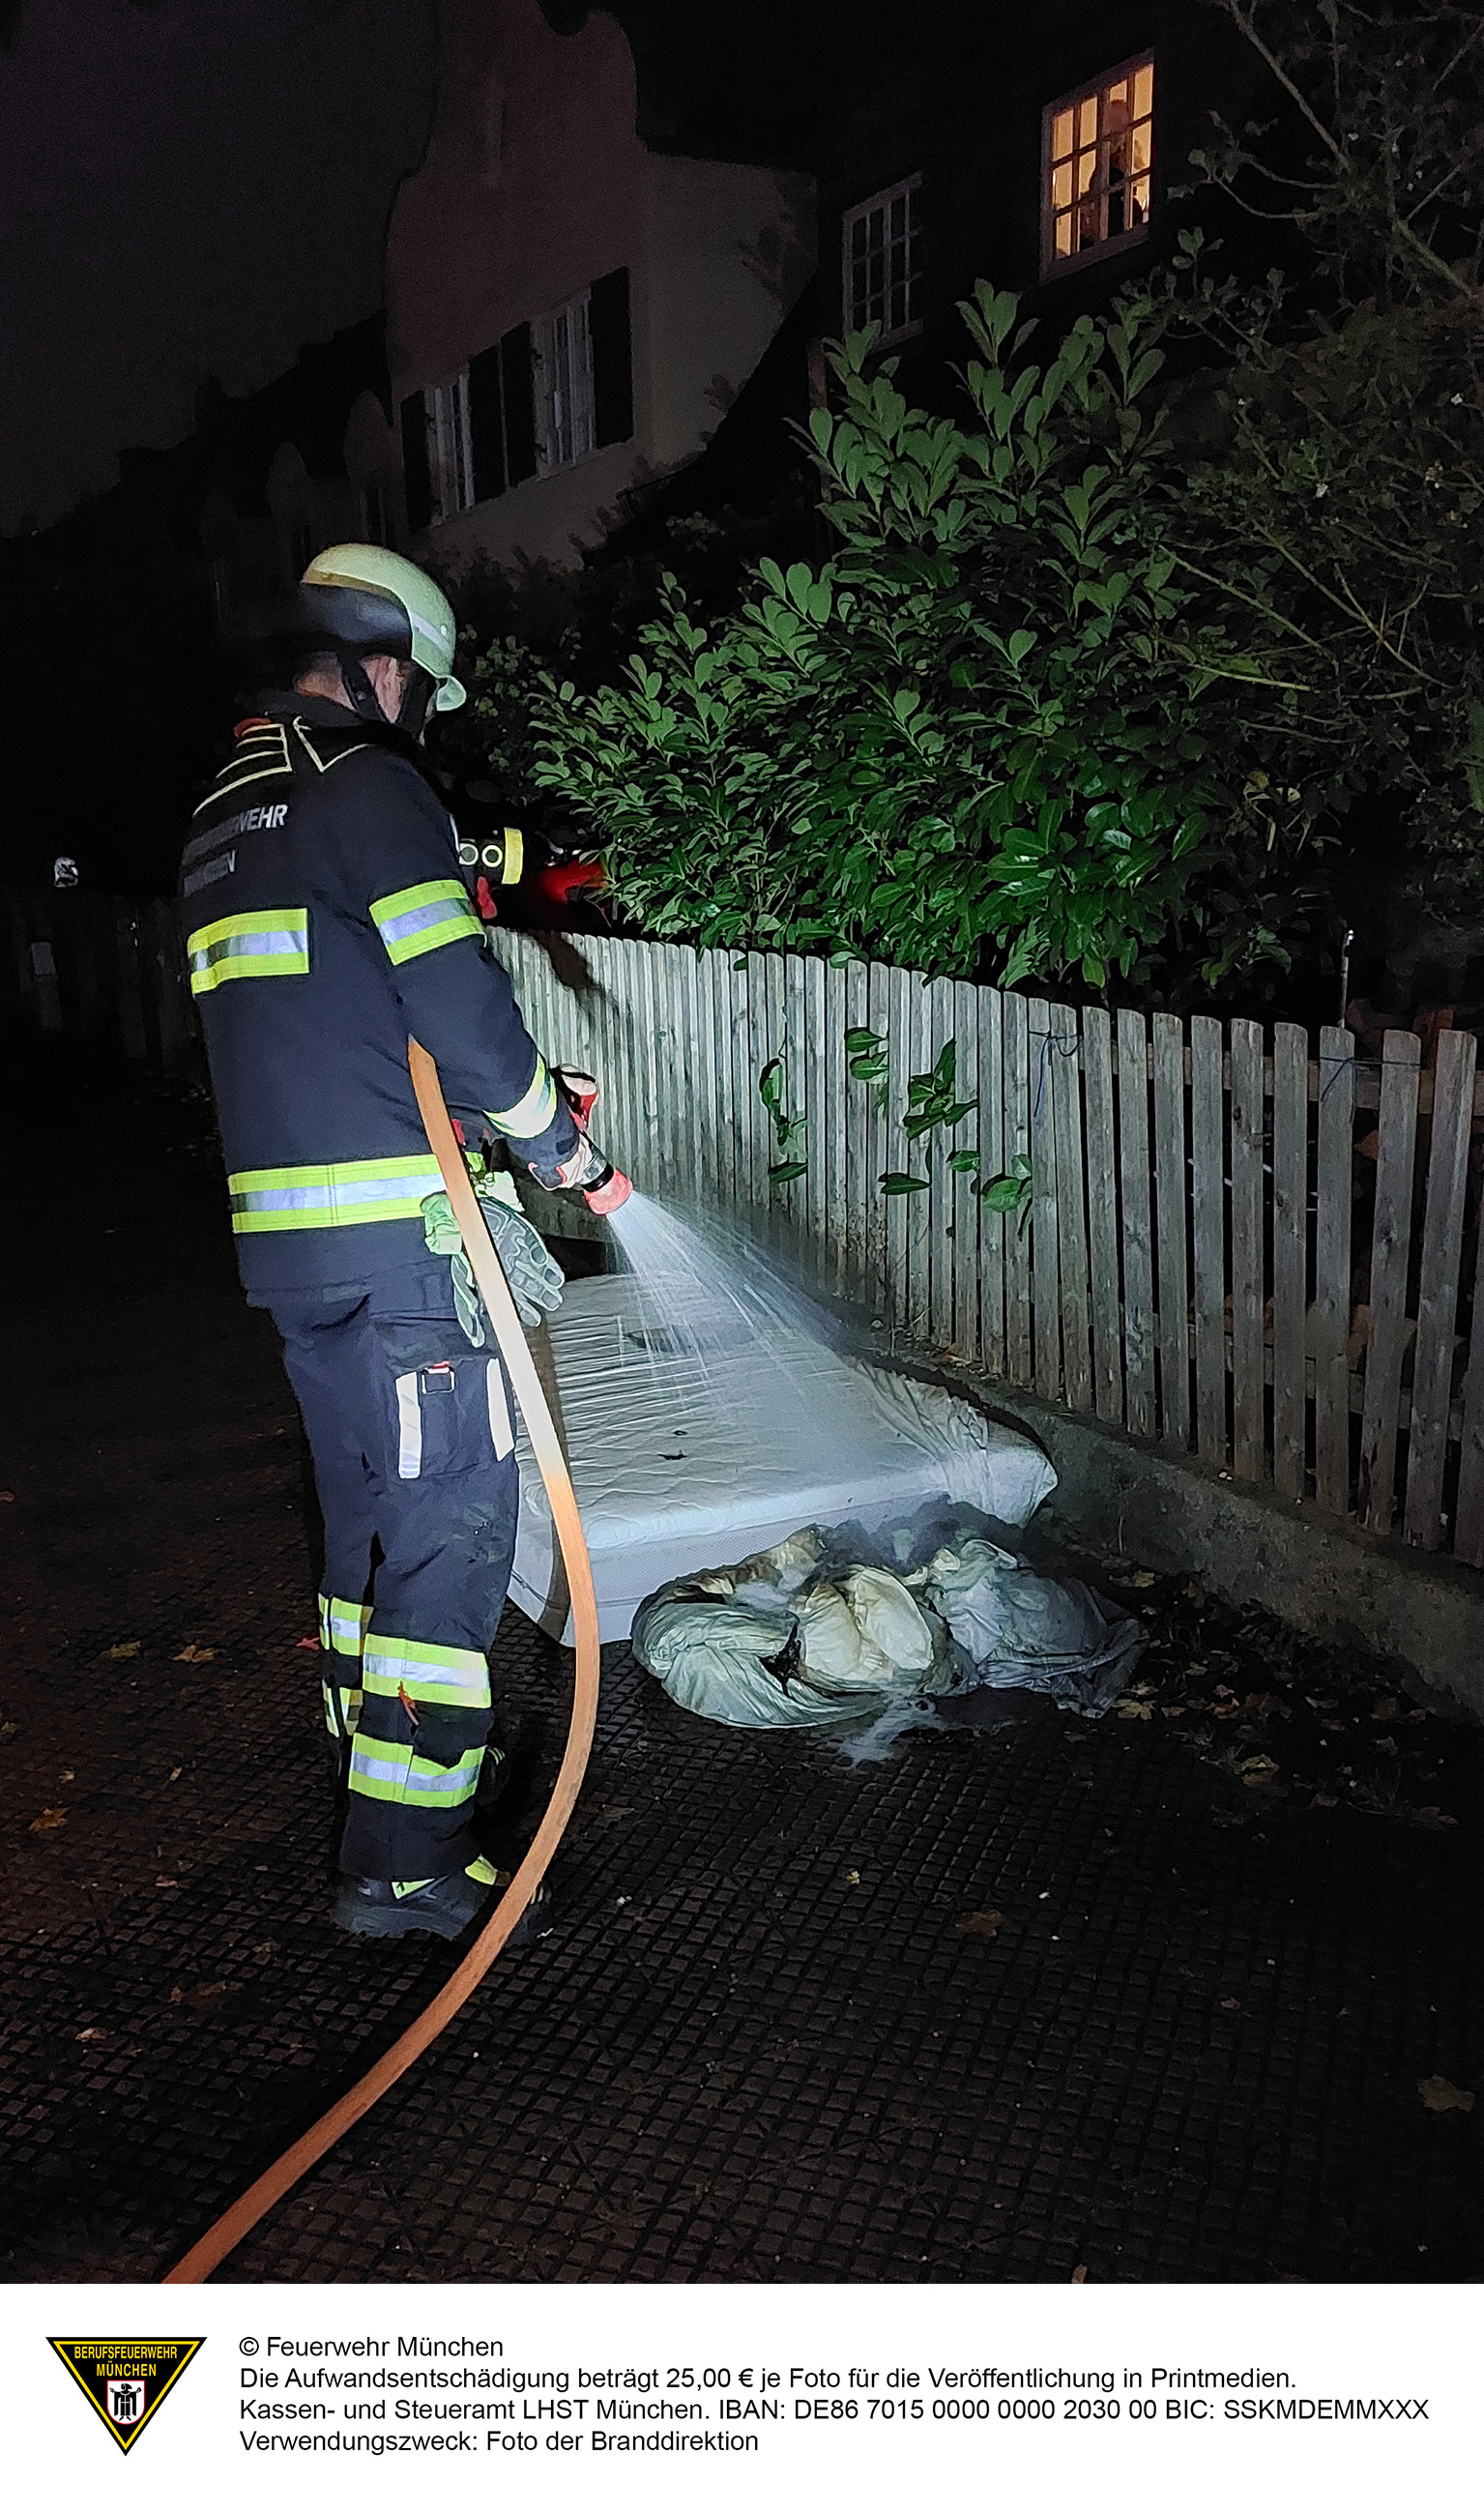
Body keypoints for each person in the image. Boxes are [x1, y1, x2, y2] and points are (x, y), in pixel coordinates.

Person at [179, 545, 606, 1941]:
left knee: (366, 1520)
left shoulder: (227, 808)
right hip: (407, 1259)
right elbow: (452, 1001)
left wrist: (482, 1111)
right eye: (420, 690)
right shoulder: (367, 784)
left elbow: (342, 1025)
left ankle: (373, 1785)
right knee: (450, 1534)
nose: (422, 718)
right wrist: (555, 1144)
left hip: (296, 1258)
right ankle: (408, 1859)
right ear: (379, 665)